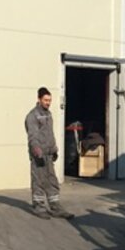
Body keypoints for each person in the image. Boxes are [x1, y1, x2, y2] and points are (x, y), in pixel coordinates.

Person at [25, 87, 74, 218]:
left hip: (49, 155)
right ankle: (39, 206)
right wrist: (37, 152)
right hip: (38, 156)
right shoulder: (32, 116)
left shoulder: (48, 114)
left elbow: (50, 134)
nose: (48, 103)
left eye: (50, 100)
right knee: (38, 181)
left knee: (52, 180)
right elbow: (33, 137)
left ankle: (55, 206)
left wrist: (54, 149)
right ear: (39, 99)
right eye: (46, 100)